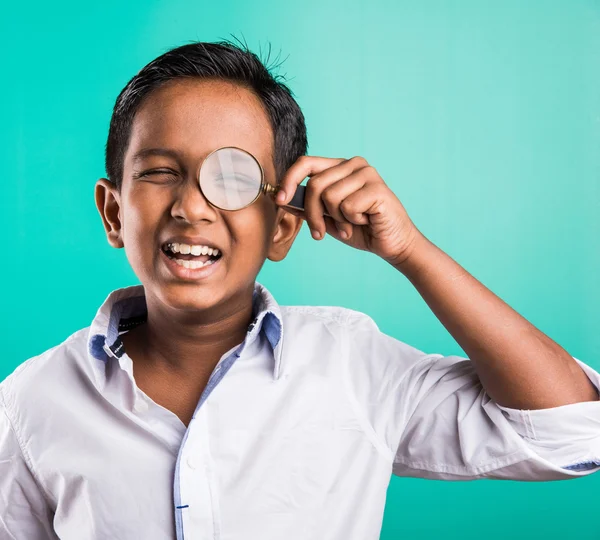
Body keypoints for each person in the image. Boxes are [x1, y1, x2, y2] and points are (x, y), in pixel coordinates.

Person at [1, 40, 598, 540]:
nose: (190, 207)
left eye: (231, 178)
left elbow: (572, 429)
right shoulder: (31, 402)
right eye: (159, 173)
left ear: (281, 227)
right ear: (112, 212)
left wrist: (410, 251)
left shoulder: (352, 364)